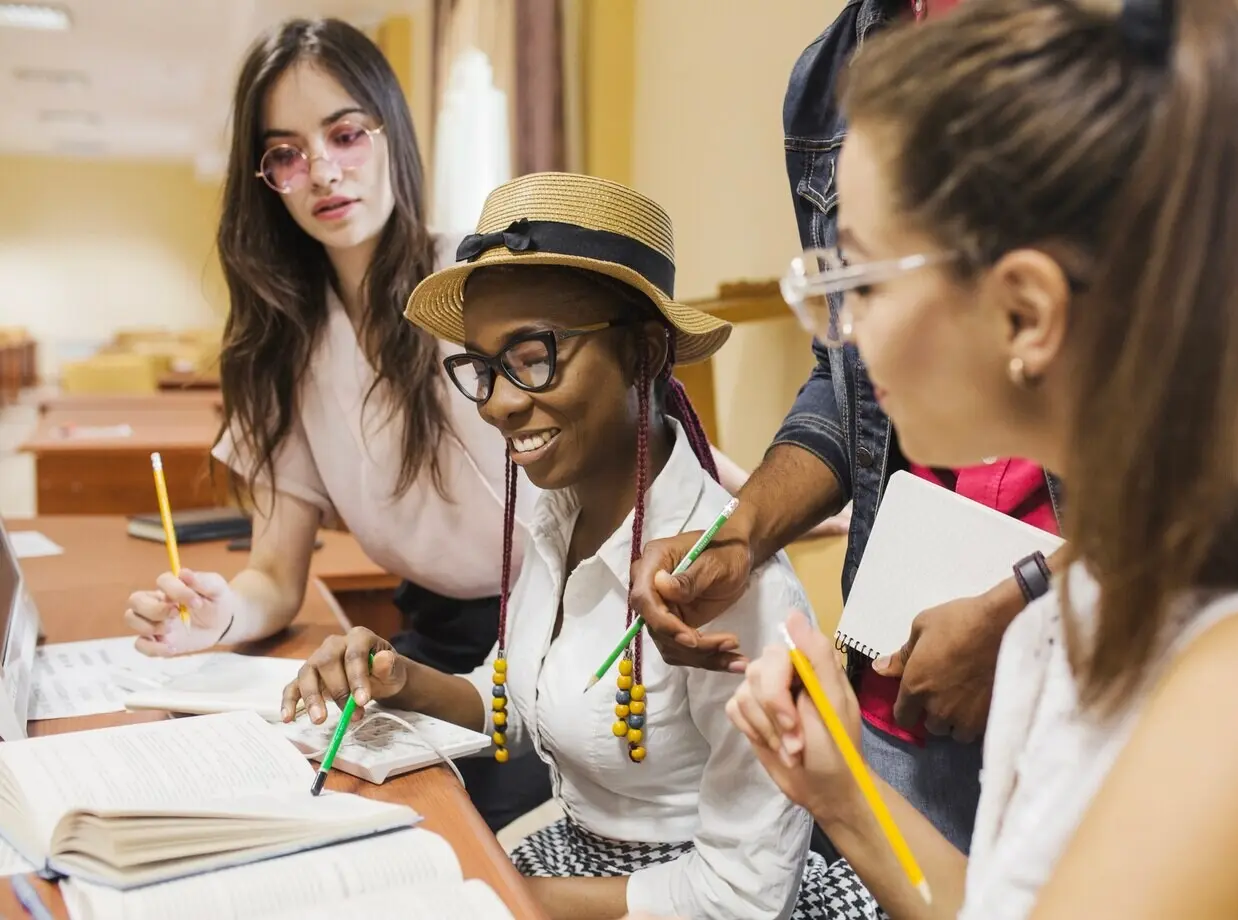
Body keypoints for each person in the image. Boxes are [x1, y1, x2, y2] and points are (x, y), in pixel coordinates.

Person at [630, 0, 1238, 854]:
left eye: (864, 282)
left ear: (1027, 312)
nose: (847, 327)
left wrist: (1026, 598)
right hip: (925, 656)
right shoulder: (835, 66)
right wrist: (744, 535)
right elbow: (848, 388)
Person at [280, 173, 875, 920]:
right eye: (482, 368)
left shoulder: (728, 589)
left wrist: (505, 893)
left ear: (646, 354)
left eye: (534, 356)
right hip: (577, 859)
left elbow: (742, 898)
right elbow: (520, 701)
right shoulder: (557, 515)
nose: (497, 403)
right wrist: (398, 679)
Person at [118, 17, 555, 833]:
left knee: (450, 828)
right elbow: (274, 576)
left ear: (391, 135)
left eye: (345, 135)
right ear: (265, 180)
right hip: (435, 637)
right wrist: (218, 616)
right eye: (286, 154)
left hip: (567, 632)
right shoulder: (279, 343)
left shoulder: (477, 281)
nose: (322, 171)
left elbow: (634, 465)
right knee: (317, 795)